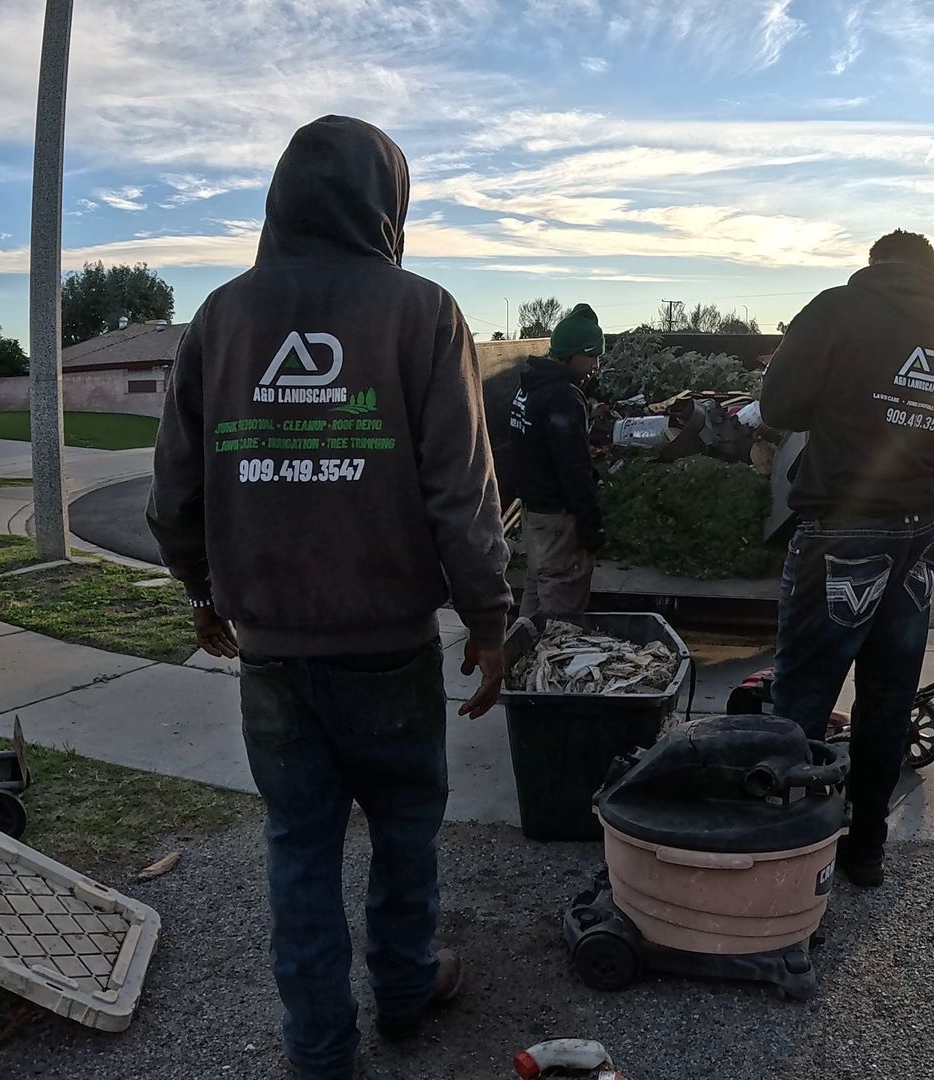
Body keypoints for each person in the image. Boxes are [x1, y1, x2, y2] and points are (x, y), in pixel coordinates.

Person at [147, 116, 511, 1080]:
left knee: (298, 847)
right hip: (387, 647)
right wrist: (491, 621)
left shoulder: (219, 319)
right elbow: (461, 492)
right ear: (388, 202)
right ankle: (402, 990)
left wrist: (201, 591)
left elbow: (171, 494)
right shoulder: (422, 312)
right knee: (404, 829)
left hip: (273, 650)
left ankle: (318, 1050)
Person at [758, 229, 934, 888]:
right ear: (932, 273)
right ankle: (866, 849)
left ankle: (779, 855)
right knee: (888, 698)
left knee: (801, 696)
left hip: (843, 530)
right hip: (919, 533)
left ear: (875, 263)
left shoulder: (836, 309)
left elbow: (778, 405)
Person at [508, 303, 605, 616]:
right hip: (558, 522)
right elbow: (574, 467)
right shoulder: (563, 396)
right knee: (562, 610)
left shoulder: (531, 387)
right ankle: (549, 661)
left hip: (535, 514)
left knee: (537, 594)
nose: (596, 365)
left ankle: (519, 659)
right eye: (592, 356)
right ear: (572, 355)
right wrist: (590, 522)